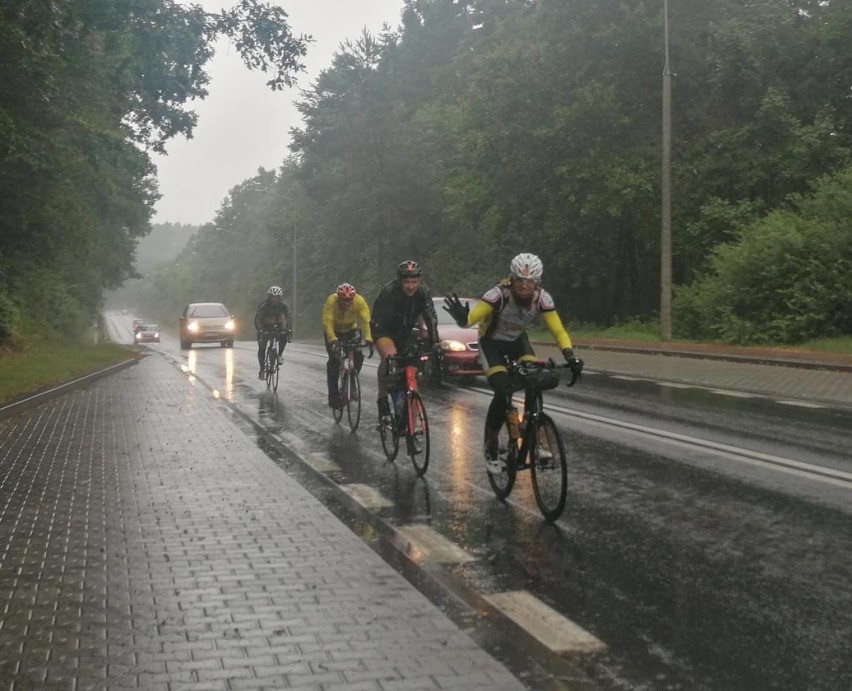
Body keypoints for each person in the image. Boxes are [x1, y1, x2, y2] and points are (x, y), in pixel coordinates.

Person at [444, 252, 583, 473]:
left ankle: (537, 441)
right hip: (492, 345)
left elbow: (557, 330)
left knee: (534, 379)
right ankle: (491, 445)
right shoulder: (499, 294)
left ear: (538, 282)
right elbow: (472, 318)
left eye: (530, 281)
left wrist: (570, 357)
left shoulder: (542, 298)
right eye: (520, 280)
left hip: (518, 342)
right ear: (512, 278)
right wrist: (463, 319)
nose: (524, 286)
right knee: (502, 390)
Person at [371, 260, 440, 422]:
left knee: (412, 374)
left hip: (405, 333)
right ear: (399, 281)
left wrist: (435, 342)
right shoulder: (389, 292)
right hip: (384, 331)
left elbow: (430, 317)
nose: (410, 286)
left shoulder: (423, 292)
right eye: (407, 282)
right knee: (390, 358)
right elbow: (377, 319)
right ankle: (382, 399)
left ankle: (412, 427)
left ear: (420, 280)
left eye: (414, 282)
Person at [322, 283, 374, 408]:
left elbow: (366, 321)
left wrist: (368, 338)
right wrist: (333, 340)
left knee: (358, 355)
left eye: (349, 300)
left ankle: (351, 379)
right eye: (343, 300)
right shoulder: (331, 301)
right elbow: (327, 322)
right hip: (334, 331)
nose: (346, 303)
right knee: (333, 362)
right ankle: (333, 397)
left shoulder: (359, 300)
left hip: (351, 330)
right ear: (338, 298)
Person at [254, 285, 292, 379]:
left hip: (278, 327)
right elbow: (257, 319)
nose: (274, 300)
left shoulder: (283, 306)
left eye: (277, 298)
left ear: (280, 298)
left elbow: (288, 318)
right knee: (262, 348)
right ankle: (262, 369)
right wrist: (261, 330)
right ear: (269, 297)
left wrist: (288, 329)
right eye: (272, 297)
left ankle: (279, 355)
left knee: (284, 335)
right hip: (265, 328)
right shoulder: (263, 306)